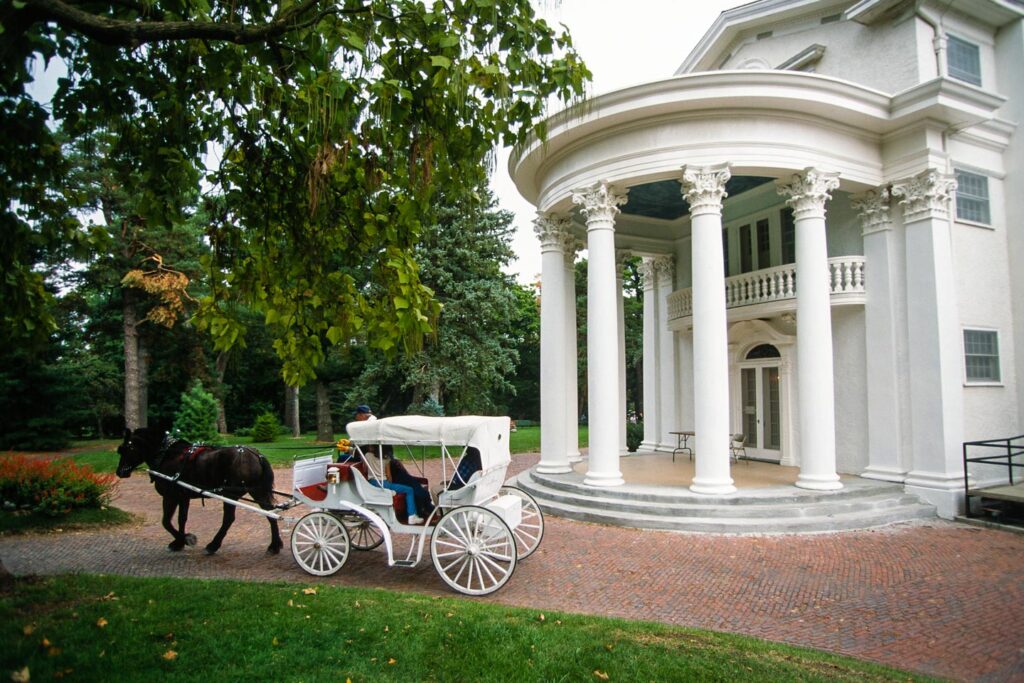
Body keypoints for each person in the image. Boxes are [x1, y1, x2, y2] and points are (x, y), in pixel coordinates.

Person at [369, 451, 431, 525]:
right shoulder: (386, 458)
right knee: (409, 490)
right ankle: (412, 515)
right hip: (384, 483)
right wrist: (390, 485)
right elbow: (389, 476)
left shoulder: (367, 456)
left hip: (371, 482)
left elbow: (366, 469)